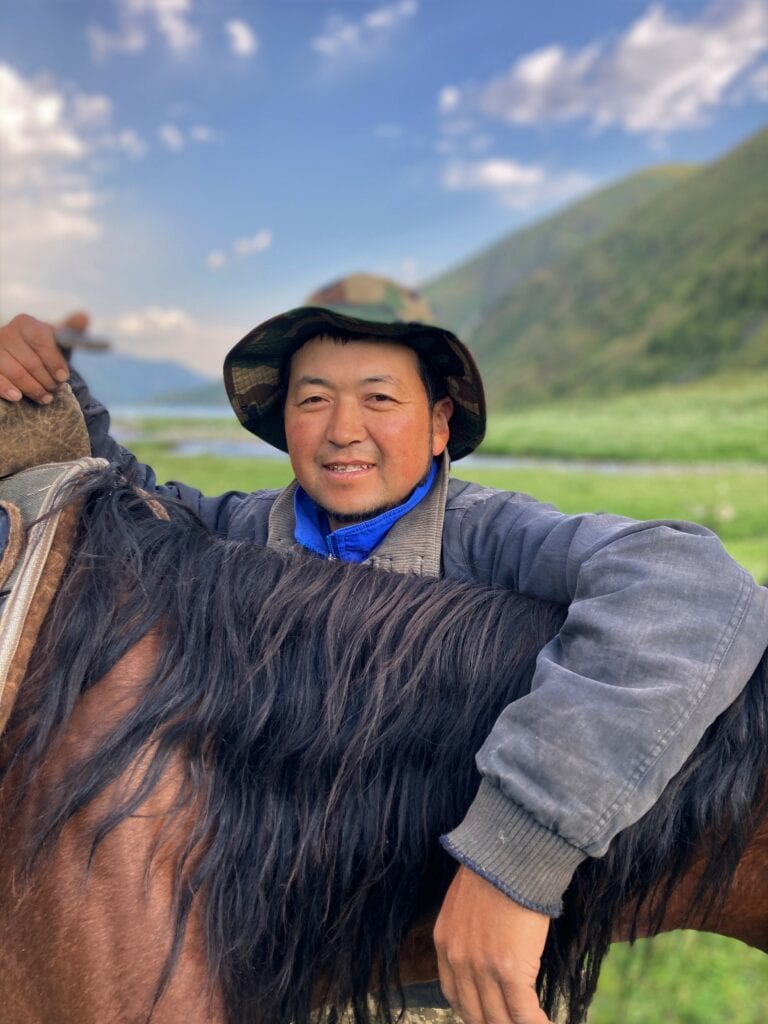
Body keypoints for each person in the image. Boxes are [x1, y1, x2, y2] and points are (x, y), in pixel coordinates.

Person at [0, 282, 766, 1024]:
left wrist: (514, 859)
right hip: (264, 962)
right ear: (284, 423)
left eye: (379, 397)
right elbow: (132, 507)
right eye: (312, 399)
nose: (342, 428)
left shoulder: (489, 537)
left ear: (438, 425)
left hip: (442, 981)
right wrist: (48, 385)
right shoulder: (238, 538)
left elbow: (687, 583)